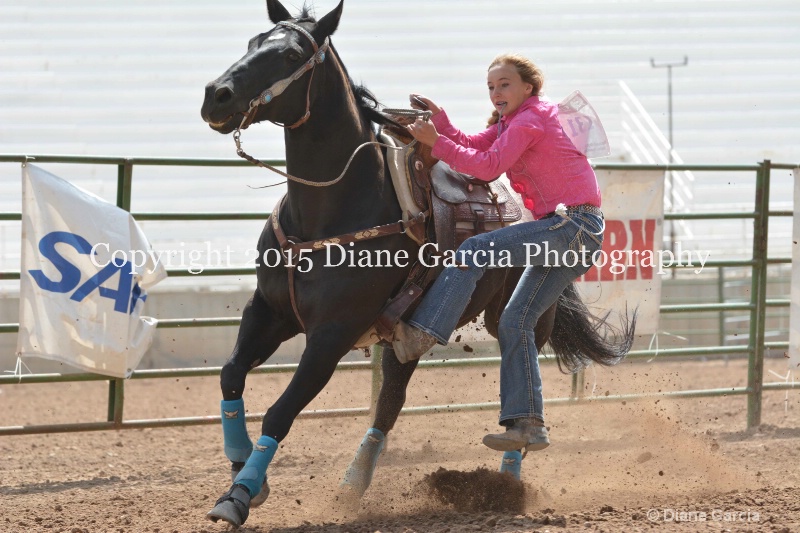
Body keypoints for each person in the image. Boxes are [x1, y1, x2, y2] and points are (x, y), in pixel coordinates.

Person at [395, 53, 605, 454]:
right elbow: (477, 144)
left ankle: (424, 332)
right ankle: (529, 425)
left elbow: (488, 167)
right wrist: (442, 125)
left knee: (474, 251)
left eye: (504, 84)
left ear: (529, 87)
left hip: (569, 228)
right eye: (491, 87)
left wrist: (436, 143)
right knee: (515, 322)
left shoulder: (530, 119)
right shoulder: (519, 120)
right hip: (576, 232)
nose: (495, 93)